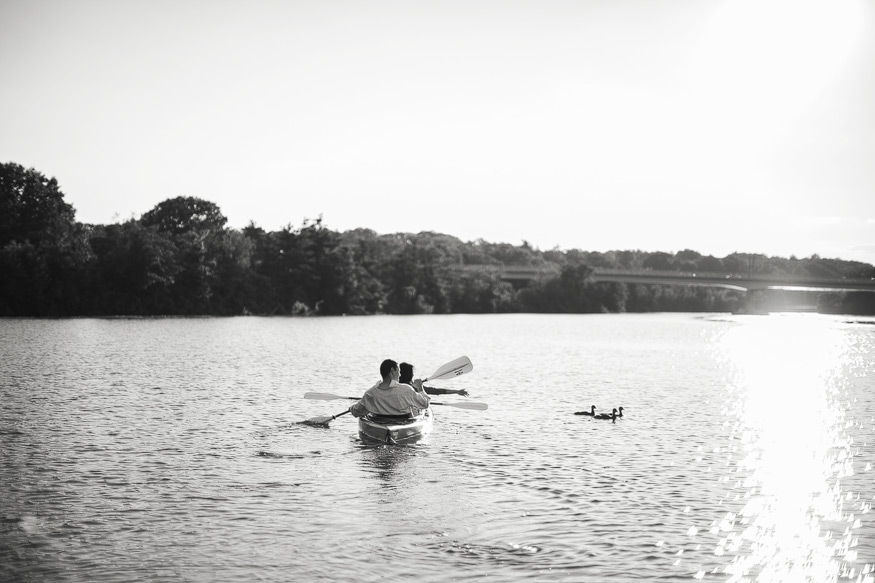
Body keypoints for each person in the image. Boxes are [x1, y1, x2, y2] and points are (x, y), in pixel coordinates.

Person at [349, 359, 430, 419]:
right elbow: (425, 404)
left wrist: (351, 408)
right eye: (399, 371)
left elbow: (356, 412)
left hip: (380, 424)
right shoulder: (406, 389)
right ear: (392, 371)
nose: (400, 375)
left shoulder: (370, 393)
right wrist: (420, 388)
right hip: (403, 423)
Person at [399, 362, 469, 397]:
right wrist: (456, 391)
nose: (413, 375)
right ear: (410, 375)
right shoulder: (415, 387)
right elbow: (436, 391)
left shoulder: (393, 385)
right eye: (412, 373)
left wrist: (456, 391)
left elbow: (435, 391)